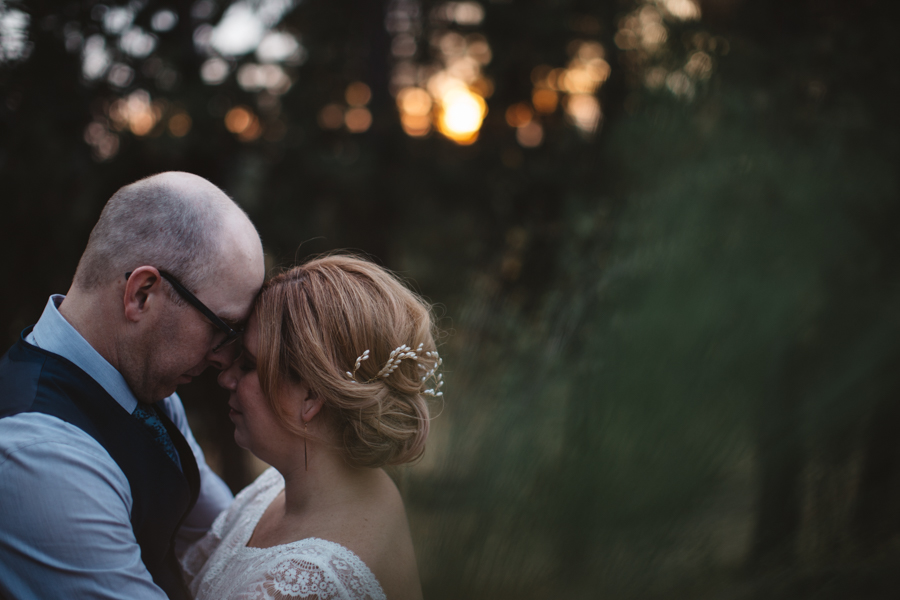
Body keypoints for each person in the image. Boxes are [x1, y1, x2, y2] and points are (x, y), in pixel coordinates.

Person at [0, 172, 266, 599]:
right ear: (142, 293)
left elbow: (221, 534)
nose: (223, 356)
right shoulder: (40, 456)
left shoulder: (142, 382)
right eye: (223, 327)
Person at [181, 255, 441, 600]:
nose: (226, 377)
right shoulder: (299, 485)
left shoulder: (304, 587)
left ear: (311, 395)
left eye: (248, 365)